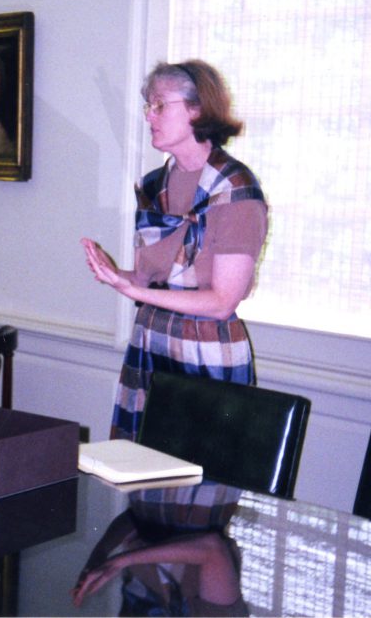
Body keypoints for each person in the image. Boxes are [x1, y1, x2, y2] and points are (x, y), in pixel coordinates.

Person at [81, 60, 267, 533]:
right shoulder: (154, 185)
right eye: (148, 106)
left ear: (198, 109)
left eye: (160, 105)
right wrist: (115, 275)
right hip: (150, 346)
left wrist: (134, 288)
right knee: (141, 492)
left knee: (200, 500)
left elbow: (222, 301)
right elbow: (154, 282)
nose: (149, 115)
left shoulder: (236, 189)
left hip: (207, 353)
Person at [71, 509, 247, 616]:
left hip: (151, 491)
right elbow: (212, 550)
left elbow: (136, 519)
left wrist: (100, 555)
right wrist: (119, 562)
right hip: (203, 486)